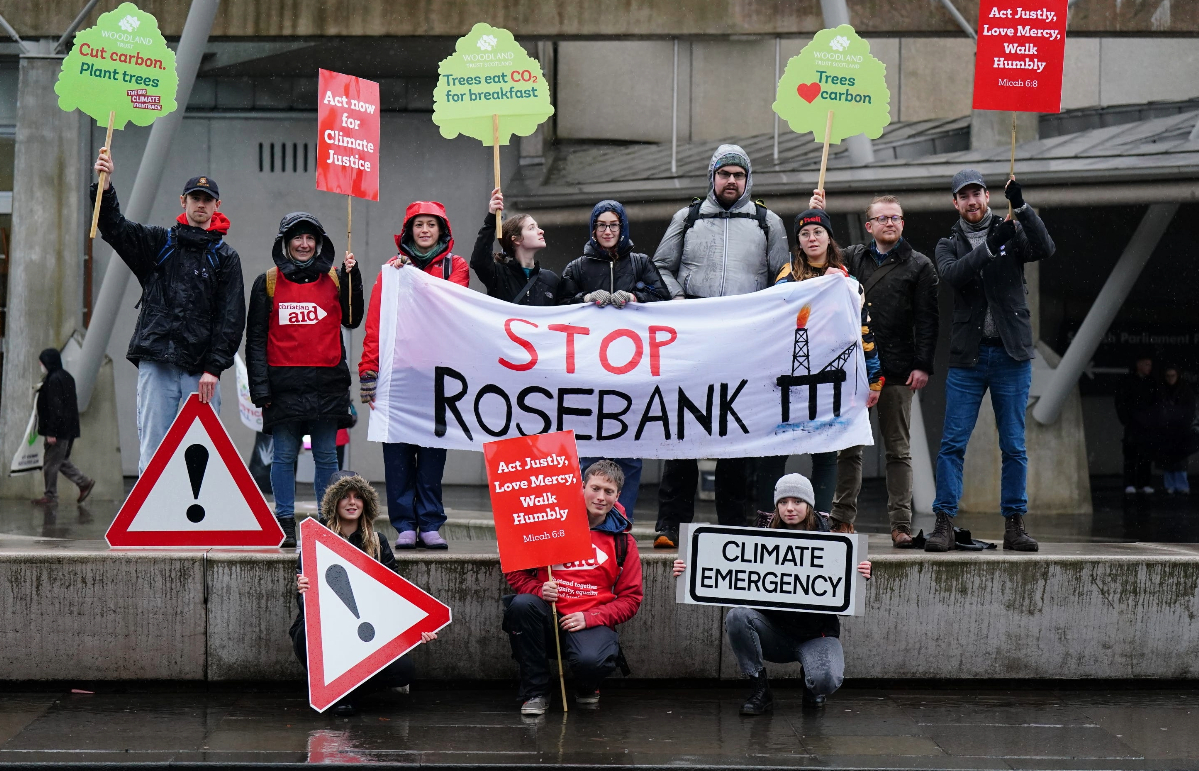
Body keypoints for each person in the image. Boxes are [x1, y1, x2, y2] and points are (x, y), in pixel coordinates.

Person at [650, 144, 791, 548]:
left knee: (735, 434)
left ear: (748, 180)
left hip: (743, 343)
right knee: (682, 429)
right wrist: (677, 299)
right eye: (725, 173)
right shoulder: (688, 217)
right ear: (712, 177)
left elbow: (782, 276)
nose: (732, 181)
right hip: (694, 340)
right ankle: (670, 526)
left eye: (739, 175)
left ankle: (734, 523)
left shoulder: (768, 221)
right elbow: (661, 265)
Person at [91, 150, 245, 474]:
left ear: (217, 205)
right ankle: (151, 523)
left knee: (202, 451)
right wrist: (105, 187)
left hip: (201, 372)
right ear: (183, 201)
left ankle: (198, 523)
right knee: (154, 448)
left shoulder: (226, 258)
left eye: (207, 199)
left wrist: (213, 369)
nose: (201, 204)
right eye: (195, 197)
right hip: (156, 363)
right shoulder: (158, 242)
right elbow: (115, 227)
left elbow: (231, 319)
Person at [928, 171, 1054, 553]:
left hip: (1011, 353)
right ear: (955, 203)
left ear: (987, 196)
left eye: (977, 194)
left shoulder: (1011, 227)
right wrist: (988, 248)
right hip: (969, 356)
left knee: (1014, 445)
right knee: (952, 444)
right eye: (963, 196)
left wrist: (1023, 207)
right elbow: (954, 275)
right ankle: (944, 522)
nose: (972, 201)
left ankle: (1015, 525)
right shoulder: (947, 242)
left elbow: (1045, 248)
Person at [672, 473, 871, 714]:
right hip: (772, 632)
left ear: (809, 505)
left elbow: (845, 602)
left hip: (816, 635)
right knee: (737, 616)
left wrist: (861, 574)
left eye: (797, 502)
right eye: (783, 502)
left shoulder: (833, 543)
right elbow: (725, 568)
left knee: (826, 680)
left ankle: (811, 683)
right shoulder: (758, 539)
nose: (789, 508)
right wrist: (689, 568)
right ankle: (759, 689)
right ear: (776, 505)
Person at [807, 190, 939, 547]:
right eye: (883, 218)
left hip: (897, 368)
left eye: (896, 217)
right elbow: (818, 256)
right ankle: (842, 519)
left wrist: (923, 364)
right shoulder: (852, 257)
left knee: (898, 450)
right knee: (849, 448)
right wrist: (818, 216)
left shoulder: (920, 265)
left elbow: (928, 319)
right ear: (869, 226)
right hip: (854, 370)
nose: (891, 223)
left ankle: (900, 525)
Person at [755, 209, 883, 526]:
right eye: (805, 234)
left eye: (818, 233)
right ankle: (767, 518)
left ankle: (821, 520)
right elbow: (779, 308)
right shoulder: (787, 273)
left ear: (829, 237)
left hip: (828, 381)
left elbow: (862, 331)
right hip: (786, 378)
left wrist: (875, 375)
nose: (812, 239)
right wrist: (817, 286)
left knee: (826, 451)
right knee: (775, 447)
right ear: (798, 241)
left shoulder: (847, 282)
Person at [246, 213, 362, 547]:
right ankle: (285, 522)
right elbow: (255, 339)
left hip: (327, 385)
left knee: (327, 458)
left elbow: (353, 319)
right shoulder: (266, 282)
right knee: (283, 456)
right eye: (297, 237)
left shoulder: (337, 279)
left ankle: (327, 525)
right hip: (283, 386)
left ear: (319, 243)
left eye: (310, 238)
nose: (304, 244)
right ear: (285, 242)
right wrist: (261, 389)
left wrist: (353, 278)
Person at [360, 202, 469, 550]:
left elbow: (450, 306)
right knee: (398, 455)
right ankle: (405, 524)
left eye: (431, 225)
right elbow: (375, 322)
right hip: (397, 375)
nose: (424, 230)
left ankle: (431, 522)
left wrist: (412, 276)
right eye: (418, 225)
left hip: (438, 374)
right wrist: (368, 370)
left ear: (441, 231)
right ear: (409, 232)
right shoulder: (390, 272)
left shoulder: (456, 266)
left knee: (433, 452)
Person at [290, 471, 438, 716]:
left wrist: (417, 627)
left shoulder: (378, 543)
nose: (352, 502)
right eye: (344, 496)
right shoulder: (315, 542)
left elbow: (395, 598)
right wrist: (305, 592)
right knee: (306, 636)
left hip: (369, 630)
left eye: (358, 496)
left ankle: (345, 693)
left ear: (365, 503)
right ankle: (339, 694)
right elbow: (306, 609)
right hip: (327, 629)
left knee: (404, 671)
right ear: (333, 502)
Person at [502, 460, 643, 716]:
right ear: (581, 487)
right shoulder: (548, 524)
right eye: (595, 488)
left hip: (591, 621)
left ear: (617, 496)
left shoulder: (624, 541)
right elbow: (516, 572)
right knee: (521, 605)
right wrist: (538, 590)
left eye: (608, 492)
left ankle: (588, 685)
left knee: (591, 661)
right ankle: (535, 692)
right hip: (546, 615)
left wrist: (591, 617)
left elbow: (631, 599)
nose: (600, 497)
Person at [561, 200, 670, 522]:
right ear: (593, 230)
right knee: (589, 452)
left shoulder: (639, 262)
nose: (607, 231)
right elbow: (559, 305)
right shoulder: (577, 267)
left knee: (630, 456)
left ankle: (620, 523)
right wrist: (583, 299)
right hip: (589, 374)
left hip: (631, 374)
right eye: (601, 225)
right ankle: (585, 524)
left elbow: (662, 297)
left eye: (614, 225)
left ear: (622, 228)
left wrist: (635, 298)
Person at [470, 188, 561, 306]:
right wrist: (491, 218)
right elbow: (478, 261)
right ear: (516, 239)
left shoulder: (551, 280)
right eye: (532, 228)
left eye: (538, 227)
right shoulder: (499, 275)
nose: (541, 231)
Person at [30, 348, 95, 506]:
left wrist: (52, 432)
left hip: (58, 431)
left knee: (51, 463)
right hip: (69, 429)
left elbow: (56, 407)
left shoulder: (53, 379)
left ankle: (51, 496)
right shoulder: (67, 377)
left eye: (42, 361)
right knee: (60, 460)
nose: (40, 364)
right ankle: (84, 483)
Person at [1159, 367, 1195, 496]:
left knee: (1179, 458)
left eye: (1172, 375)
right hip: (1168, 427)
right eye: (1168, 376)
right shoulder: (1163, 390)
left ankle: (1179, 485)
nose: (1170, 379)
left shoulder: (1184, 391)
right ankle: (1172, 485)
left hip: (1179, 427)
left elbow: (1190, 409)